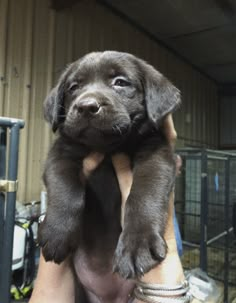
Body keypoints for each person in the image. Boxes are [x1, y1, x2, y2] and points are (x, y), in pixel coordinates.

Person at [30, 114, 187, 303]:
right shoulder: (71, 141)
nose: (89, 100)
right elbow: (58, 165)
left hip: (136, 282)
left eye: (120, 82)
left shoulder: (147, 139)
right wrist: (59, 216)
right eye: (74, 88)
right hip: (83, 278)